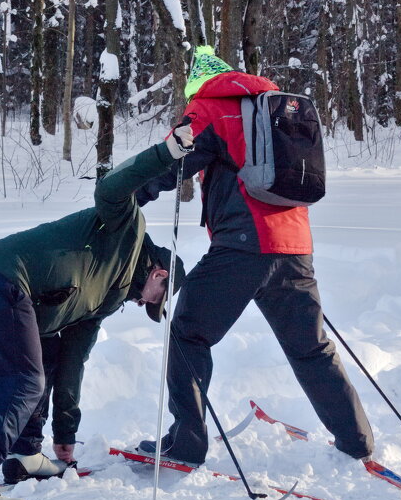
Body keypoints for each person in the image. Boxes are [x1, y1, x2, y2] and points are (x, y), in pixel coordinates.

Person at [135, 45, 374, 467]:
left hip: (244, 247)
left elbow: (168, 165)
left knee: (188, 333)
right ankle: (357, 441)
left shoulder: (208, 108)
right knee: (311, 349)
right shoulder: (273, 107)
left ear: (199, 83)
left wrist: (125, 195)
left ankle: (186, 445)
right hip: (296, 246)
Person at [0, 129, 192, 500]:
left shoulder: (108, 297)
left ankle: (25, 453)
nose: (146, 303)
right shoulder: (126, 230)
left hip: (5, 291)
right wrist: (167, 153)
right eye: (155, 299)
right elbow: (113, 187)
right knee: (23, 382)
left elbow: (74, 362)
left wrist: (65, 435)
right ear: (160, 275)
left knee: (48, 363)